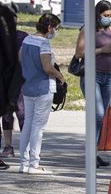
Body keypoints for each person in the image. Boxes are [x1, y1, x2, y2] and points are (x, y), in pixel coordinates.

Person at [18, 13, 65, 174]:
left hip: (27, 86)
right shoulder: (43, 43)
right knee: (38, 127)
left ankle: (23, 163)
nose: (55, 32)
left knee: (28, 125)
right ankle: (34, 164)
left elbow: (20, 59)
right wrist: (60, 75)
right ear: (50, 27)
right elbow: (47, 67)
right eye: (56, 28)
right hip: (43, 87)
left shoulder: (26, 40)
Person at [74, 0, 111, 167]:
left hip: (108, 75)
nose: (108, 19)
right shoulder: (88, 29)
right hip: (92, 75)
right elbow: (79, 53)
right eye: (105, 15)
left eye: (110, 16)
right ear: (98, 14)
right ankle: (90, 153)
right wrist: (101, 50)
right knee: (98, 114)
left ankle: (95, 153)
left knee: (102, 116)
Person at [1, 25, 27, 160]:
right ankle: (8, 146)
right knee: (6, 114)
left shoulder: (23, 37)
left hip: (19, 80)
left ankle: (26, 147)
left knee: (22, 112)